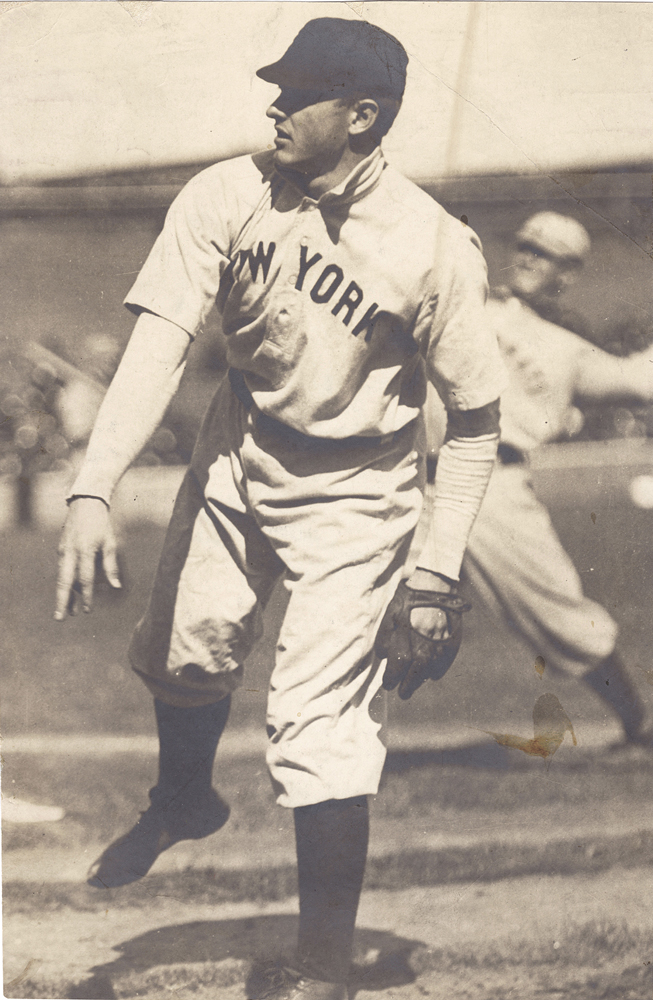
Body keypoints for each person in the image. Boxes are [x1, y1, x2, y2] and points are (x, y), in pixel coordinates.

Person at [55, 18, 505, 1000]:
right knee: (183, 648)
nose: (272, 105)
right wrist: (92, 485)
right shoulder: (224, 192)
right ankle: (182, 799)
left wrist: (433, 572)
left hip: (360, 487)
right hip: (239, 444)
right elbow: (157, 346)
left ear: (361, 113)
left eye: (296, 92)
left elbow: (474, 422)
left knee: (318, 724)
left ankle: (325, 960)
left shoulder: (434, 244)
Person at [431, 211, 651, 748]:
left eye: (547, 252)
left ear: (567, 273)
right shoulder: (463, 300)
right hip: (409, 475)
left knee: (558, 615)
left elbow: (638, 378)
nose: (529, 256)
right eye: (526, 244)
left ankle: (639, 722)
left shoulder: (567, 349)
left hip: (494, 485)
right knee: (361, 599)